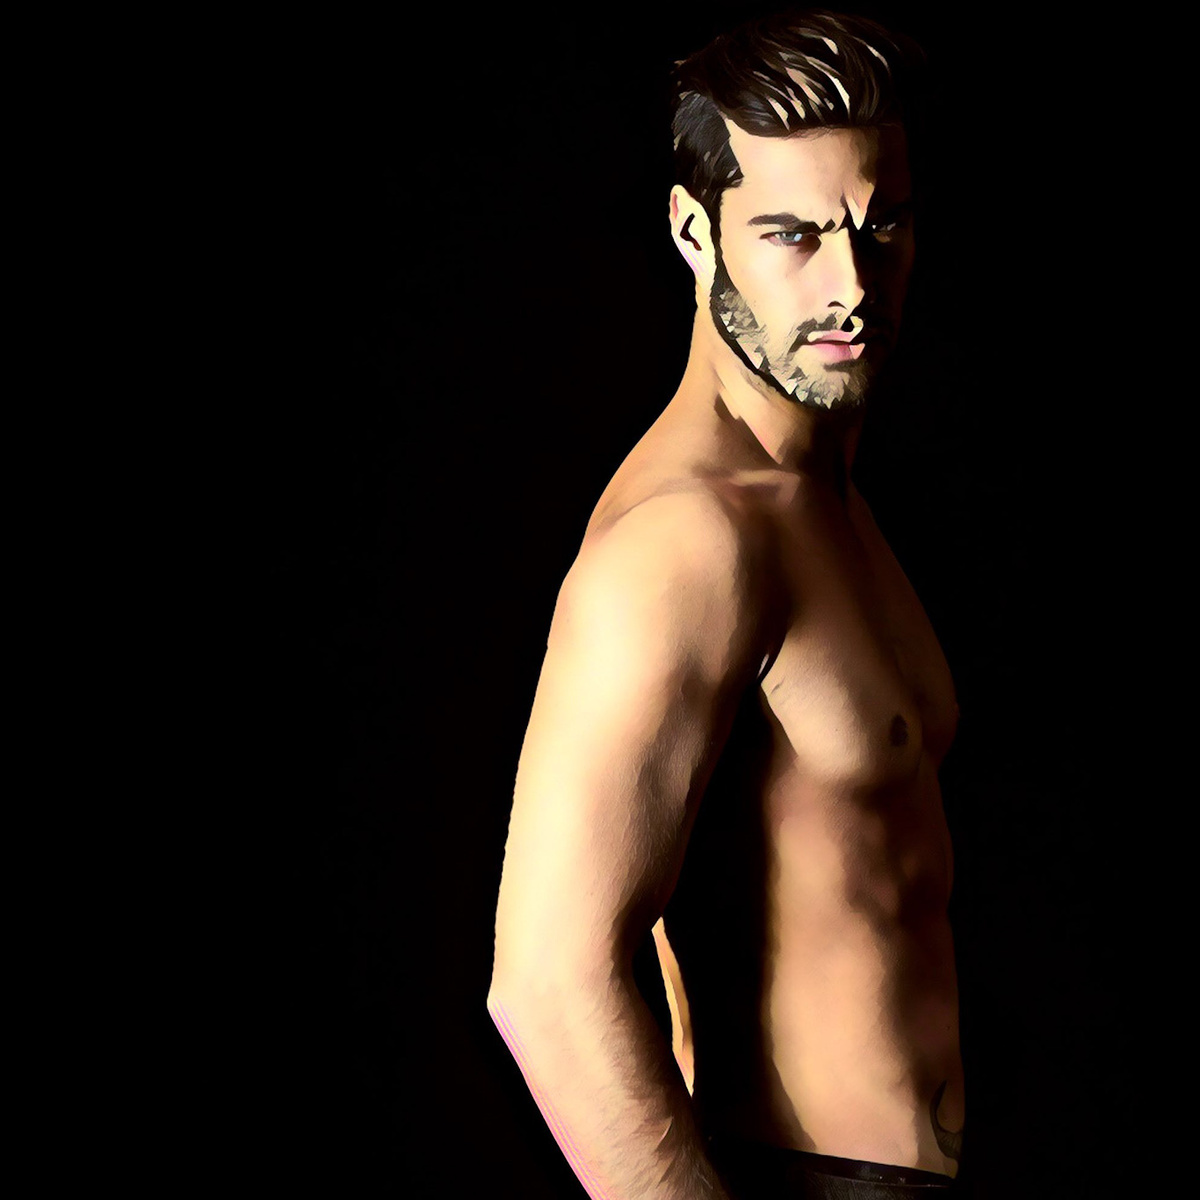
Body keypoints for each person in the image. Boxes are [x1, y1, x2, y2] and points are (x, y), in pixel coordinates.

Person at [487, 9, 967, 1197]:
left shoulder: (826, 499)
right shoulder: (690, 540)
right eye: (793, 235)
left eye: (882, 225)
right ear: (693, 233)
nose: (853, 285)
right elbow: (548, 986)